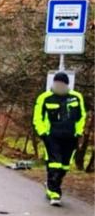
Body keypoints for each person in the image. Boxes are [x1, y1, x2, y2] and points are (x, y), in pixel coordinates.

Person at [33, 72, 86, 206]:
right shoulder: (45, 98)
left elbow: (82, 116)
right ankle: (54, 193)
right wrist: (43, 133)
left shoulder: (76, 97)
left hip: (70, 136)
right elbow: (37, 117)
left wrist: (79, 132)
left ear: (67, 84)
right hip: (52, 136)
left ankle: (52, 184)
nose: (59, 85)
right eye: (57, 83)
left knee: (64, 166)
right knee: (55, 163)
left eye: (62, 83)